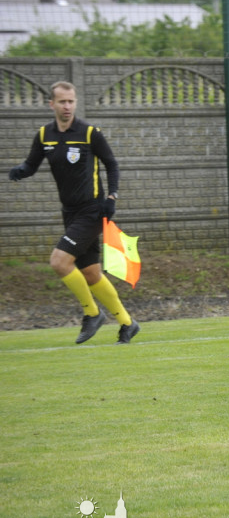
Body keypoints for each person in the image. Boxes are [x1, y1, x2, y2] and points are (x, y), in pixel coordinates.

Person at [8, 81, 140, 344]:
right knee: (91, 272)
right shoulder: (44, 135)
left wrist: (112, 196)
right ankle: (127, 323)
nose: (67, 106)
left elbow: (112, 164)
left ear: (75, 103)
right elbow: (32, 164)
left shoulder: (90, 133)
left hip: (92, 210)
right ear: (52, 104)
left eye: (71, 101)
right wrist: (21, 171)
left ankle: (92, 313)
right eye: (62, 102)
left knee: (59, 261)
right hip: (69, 212)